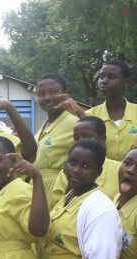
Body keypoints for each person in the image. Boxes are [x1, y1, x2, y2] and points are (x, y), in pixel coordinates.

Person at [65, 60, 137, 162]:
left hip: (133, 171)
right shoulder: (90, 115)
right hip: (100, 172)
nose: (104, 81)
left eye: (112, 77)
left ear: (126, 82)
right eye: (101, 77)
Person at [33, 73, 79, 203]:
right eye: (41, 94)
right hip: (38, 187)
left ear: (64, 93)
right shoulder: (44, 126)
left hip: (59, 189)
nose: (47, 97)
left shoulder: (74, 123)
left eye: (53, 92)